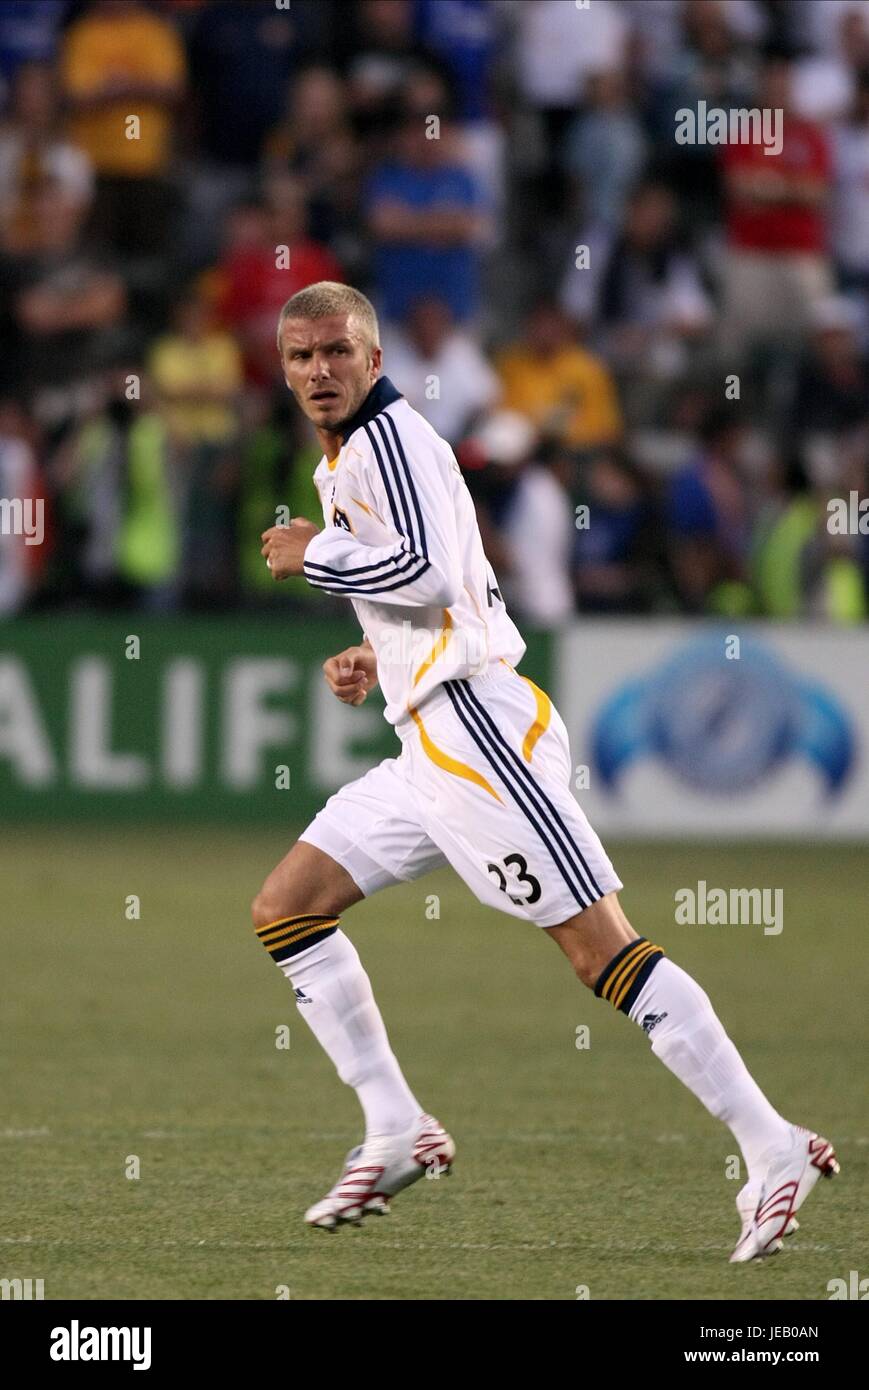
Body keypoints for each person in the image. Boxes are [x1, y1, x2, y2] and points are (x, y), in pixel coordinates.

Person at [254, 281, 838, 1258]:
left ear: (375, 357)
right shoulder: (352, 456)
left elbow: (431, 575)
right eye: (300, 356)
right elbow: (439, 584)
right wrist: (380, 652)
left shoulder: (387, 445)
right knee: (288, 906)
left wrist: (317, 555)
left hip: (479, 733)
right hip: (428, 736)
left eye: (336, 352)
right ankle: (396, 1126)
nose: (319, 371)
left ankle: (769, 1143)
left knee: (598, 950)